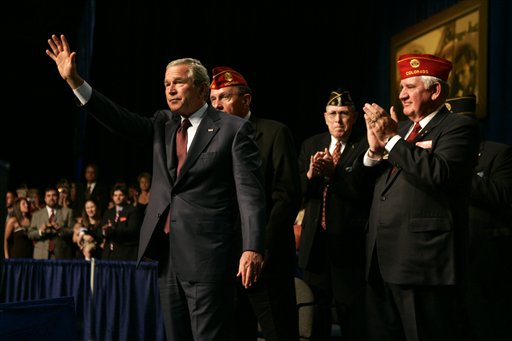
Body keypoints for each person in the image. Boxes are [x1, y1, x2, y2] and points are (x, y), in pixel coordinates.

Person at [46, 34, 266, 341]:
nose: (171, 89)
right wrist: (75, 82)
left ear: (202, 89)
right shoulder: (163, 125)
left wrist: (252, 247)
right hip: (167, 259)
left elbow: (250, 195)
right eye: (166, 84)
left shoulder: (234, 129)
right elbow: (119, 119)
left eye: (178, 82)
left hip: (209, 258)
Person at [359, 53, 480, 341]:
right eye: (401, 88)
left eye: (410, 87)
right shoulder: (399, 131)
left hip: (421, 264)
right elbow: (373, 187)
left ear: (435, 90)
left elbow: (440, 174)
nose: (401, 95)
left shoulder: (457, 128)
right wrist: (375, 151)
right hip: (382, 259)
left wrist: (390, 140)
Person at [210, 66, 301, 341]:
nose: (217, 106)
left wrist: (258, 246)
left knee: (279, 332)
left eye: (224, 97)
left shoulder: (274, 133)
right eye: (213, 100)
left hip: (266, 260)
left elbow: (286, 197)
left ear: (246, 100)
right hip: (225, 261)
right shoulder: (211, 140)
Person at [297, 89, 371, 341]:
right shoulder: (311, 144)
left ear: (354, 117)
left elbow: (365, 192)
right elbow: (298, 194)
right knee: (315, 317)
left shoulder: (365, 144)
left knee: (353, 318)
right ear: (325, 117)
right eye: (333, 114)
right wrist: (310, 176)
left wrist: (334, 173)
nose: (338, 121)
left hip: (350, 247)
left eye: (344, 114)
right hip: (316, 245)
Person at [445, 95, 512, 341]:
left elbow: (504, 196)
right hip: (446, 261)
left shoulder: (499, 153)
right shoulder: (438, 158)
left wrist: (458, 174)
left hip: (485, 262)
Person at [28, 186, 76, 259]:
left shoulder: (67, 212)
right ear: (45, 198)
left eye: (54, 195)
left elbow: (72, 231)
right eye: (48, 196)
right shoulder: (36, 214)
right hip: (41, 255)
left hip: (61, 255)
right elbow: (30, 234)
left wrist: (61, 230)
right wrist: (40, 231)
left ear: (58, 197)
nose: (51, 198)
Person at [99, 183, 142, 261]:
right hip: (108, 254)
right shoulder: (108, 212)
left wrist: (112, 229)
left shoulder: (133, 210)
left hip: (125, 254)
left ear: (126, 196)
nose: (117, 198)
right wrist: (104, 231)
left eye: (120, 195)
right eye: (115, 195)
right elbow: (101, 230)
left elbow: (132, 230)